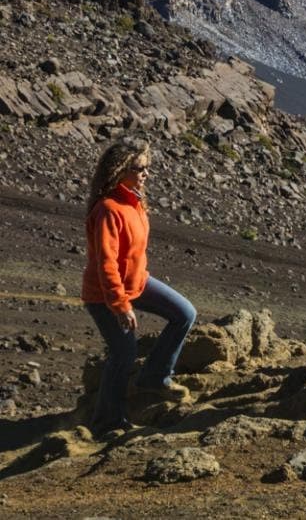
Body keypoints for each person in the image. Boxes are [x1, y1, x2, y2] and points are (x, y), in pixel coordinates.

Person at [81, 139, 196, 436]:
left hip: (138, 283)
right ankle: (107, 421)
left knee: (185, 313)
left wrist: (135, 285)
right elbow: (106, 263)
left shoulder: (135, 201)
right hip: (105, 294)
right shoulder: (108, 209)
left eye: (147, 168)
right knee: (124, 353)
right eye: (140, 168)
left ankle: (156, 377)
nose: (146, 174)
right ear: (120, 169)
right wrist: (120, 306)